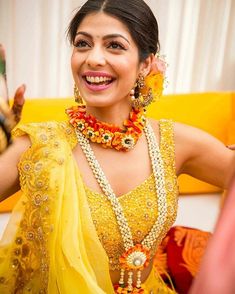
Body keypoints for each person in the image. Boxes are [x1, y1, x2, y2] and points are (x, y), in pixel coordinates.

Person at [0, 0, 234, 293]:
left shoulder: (175, 142)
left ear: (146, 63)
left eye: (115, 46)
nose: (94, 58)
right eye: (83, 44)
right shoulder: (39, 146)